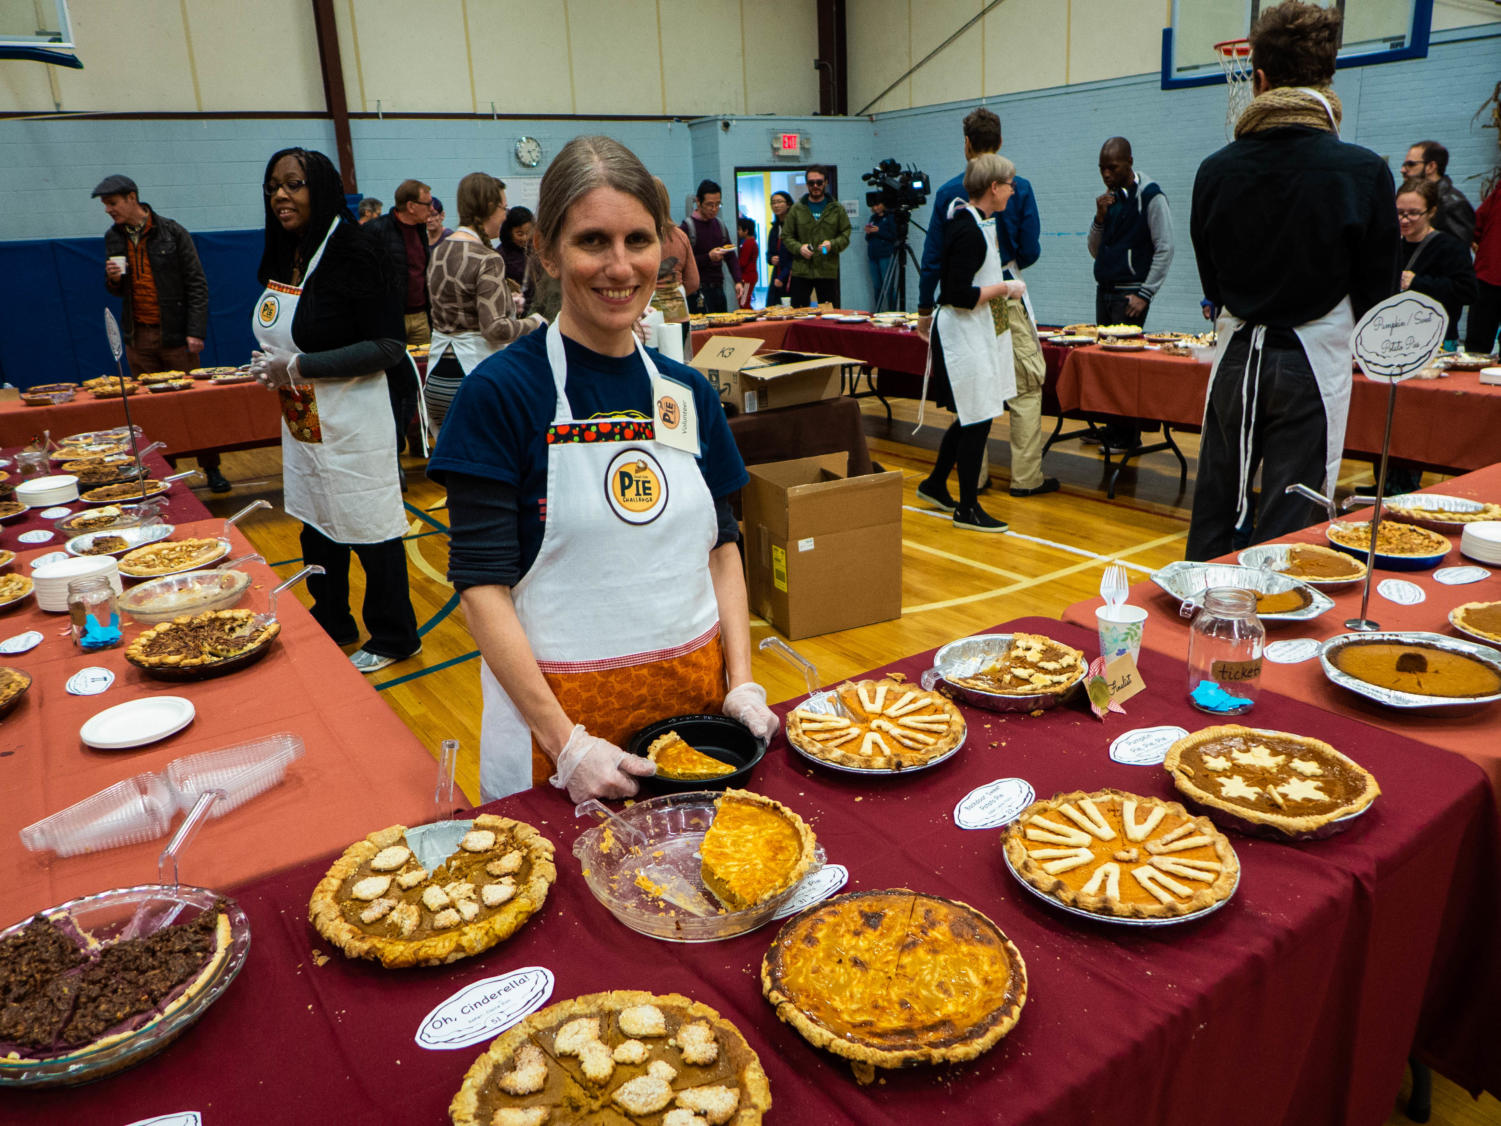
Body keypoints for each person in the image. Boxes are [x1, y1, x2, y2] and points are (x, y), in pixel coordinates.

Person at [428, 135, 777, 803]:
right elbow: (480, 587)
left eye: (638, 240)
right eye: (593, 241)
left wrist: (740, 681)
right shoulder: (500, 396)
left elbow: (721, 546)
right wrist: (567, 745)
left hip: (698, 729)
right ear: (548, 253)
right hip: (558, 741)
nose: (620, 267)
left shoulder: (685, 393)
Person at [1186, 0, 1399, 560]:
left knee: (1215, 508)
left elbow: (1213, 283)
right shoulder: (1364, 170)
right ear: (1328, 79)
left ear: (1258, 80)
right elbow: (1378, 299)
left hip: (1237, 359)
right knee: (1289, 520)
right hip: (1312, 364)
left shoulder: (1215, 170)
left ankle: (1195, 635)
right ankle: (1270, 640)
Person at [247, 147, 422, 674]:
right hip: (304, 421)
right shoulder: (288, 252)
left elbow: (389, 346)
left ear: (319, 189)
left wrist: (296, 366)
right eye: (273, 186)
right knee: (315, 519)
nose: (281, 195)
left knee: (370, 527)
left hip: (354, 416)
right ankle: (332, 620)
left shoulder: (354, 248)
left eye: (294, 184)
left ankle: (395, 635)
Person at [913, 154, 1027, 533]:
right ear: (993, 188)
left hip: (979, 328)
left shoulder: (980, 223)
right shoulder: (967, 229)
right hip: (963, 330)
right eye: (1009, 184)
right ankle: (968, 508)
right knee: (978, 416)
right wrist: (1005, 288)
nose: (1013, 190)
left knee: (972, 413)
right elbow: (958, 293)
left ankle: (934, 483)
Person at [94, 174, 228, 494]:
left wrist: (195, 331)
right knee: (150, 412)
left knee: (193, 407)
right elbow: (118, 291)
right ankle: (164, 474)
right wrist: (112, 279)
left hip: (177, 336)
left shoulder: (172, 232)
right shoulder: (113, 237)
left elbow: (197, 283)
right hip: (138, 338)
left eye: (112, 204)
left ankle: (212, 469)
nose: (108, 210)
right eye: (105, 205)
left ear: (131, 197)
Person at [425, 172, 546, 437]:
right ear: (489, 208)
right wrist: (535, 323)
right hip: (471, 376)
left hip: (437, 378)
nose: (504, 215)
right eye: (503, 208)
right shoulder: (487, 258)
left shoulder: (440, 249)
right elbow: (495, 329)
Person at [918, 108, 1042, 335]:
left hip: (963, 297)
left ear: (967, 143)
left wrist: (924, 307)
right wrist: (1003, 268)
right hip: (1003, 290)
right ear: (1000, 142)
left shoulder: (949, 193)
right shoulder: (1021, 187)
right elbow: (1030, 250)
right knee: (1007, 356)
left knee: (977, 355)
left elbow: (933, 258)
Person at [1088, 136, 1175, 452]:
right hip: (1105, 292)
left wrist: (1145, 293)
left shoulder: (1151, 197)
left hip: (1130, 297)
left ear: (1130, 162)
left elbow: (1166, 248)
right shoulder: (1110, 201)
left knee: (1124, 368)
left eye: (1112, 167)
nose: (1106, 175)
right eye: (1102, 169)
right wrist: (1099, 219)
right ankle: (1112, 428)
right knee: (1108, 366)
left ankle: (1127, 436)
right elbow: (1095, 251)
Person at [363, 179, 432, 462]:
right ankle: (394, 442)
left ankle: (418, 440)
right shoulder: (376, 230)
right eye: (427, 203)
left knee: (422, 383)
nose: (432, 209)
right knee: (396, 385)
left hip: (421, 317)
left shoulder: (421, 230)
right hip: (391, 321)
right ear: (411, 206)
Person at [1397, 177, 1477, 343]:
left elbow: (1468, 292)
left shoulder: (1451, 247)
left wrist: (1417, 282)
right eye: (1399, 212)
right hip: (1398, 339)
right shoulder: (1392, 247)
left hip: (1438, 340)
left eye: (1413, 213)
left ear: (1431, 212)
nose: (1404, 220)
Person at [781, 165, 851, 307]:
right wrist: (799, 248)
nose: (815, 186)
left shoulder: (837, 209)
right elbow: (786, 236)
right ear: (807, 184)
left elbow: (845, 235)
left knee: (829, 314)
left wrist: (832, 244)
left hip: (827, 270)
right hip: (801, 271)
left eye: (819, 182)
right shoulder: (796, 209)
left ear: (825, 182)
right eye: (811, 183)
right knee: (799, 313)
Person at [1402, 140, 1476, 247]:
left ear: (1431, 166)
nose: (1403, 170)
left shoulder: (1452, 204)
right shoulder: (1420, 198)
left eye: (1411, 164)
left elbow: (1457, 254)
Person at [681, 180, 740, 313]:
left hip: (718, 290)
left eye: (718, 204)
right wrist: (708, 257)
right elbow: (683, 264)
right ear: (698, 202)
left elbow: (731, 256)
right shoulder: (687, 227)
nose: (714, 209)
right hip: (697, 292)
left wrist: (738, 281)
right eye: (709, 205)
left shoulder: (719, 225)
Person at [650, 177, 698, 323]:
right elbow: (693, 282)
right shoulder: (680, 236)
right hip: (678, 314)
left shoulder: (640, 236)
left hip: (648, 315)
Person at [864, 201, 896, 311]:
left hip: (885, 255)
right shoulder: (873, 218)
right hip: (873, 255)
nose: (875, 207)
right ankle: (878, 311)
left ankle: (892, 311)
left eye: (878, 204)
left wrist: (879, 231)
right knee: (877, 286)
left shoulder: (890, 217)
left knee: (888, 286)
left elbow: (894, 236)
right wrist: (868, 232)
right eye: (873, 205)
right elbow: (867, 239)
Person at [765, 190, 794, 304]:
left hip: (791, 276)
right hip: (777, 274)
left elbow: (795, 257)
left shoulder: (794, 226)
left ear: (788, 204)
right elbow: (770, 253)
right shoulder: (774, 228)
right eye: (773, 203)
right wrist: (771, 259)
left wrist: (782, 277)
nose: (776, 205)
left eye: (779, 202)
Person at [498, 206, 534, 290]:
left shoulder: (537, 248)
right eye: (520, 234)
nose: (525, 238)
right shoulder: (501, 255)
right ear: (509, 232)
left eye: (528, 232)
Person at [736, 216, 759, 309]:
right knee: (745, 300)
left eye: (739, 229)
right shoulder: (752, 241)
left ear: (746, 231)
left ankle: (749, 319)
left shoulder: (748, 243)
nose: (738, 232)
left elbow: (743, 262)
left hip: (747, 276)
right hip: (751, 275)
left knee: (743, 301)